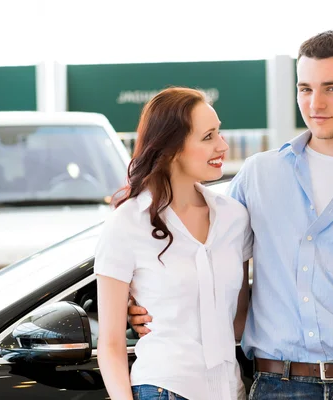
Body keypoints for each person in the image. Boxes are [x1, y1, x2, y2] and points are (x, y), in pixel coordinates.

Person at [129, 31, 333, 400]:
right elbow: (201, 251)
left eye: (332, 88)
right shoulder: (258, 174)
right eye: (305, 88)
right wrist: (146, 302)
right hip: (276, 385)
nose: (315, 103)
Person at [95, 86, 253, 400]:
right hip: (164, 388)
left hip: (230, 390)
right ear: (171, 147)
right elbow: (110, 344)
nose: (222, 145)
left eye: (218, 133)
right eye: (208, 137)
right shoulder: (128, 221)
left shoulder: (235, 218)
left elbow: (238, 321)